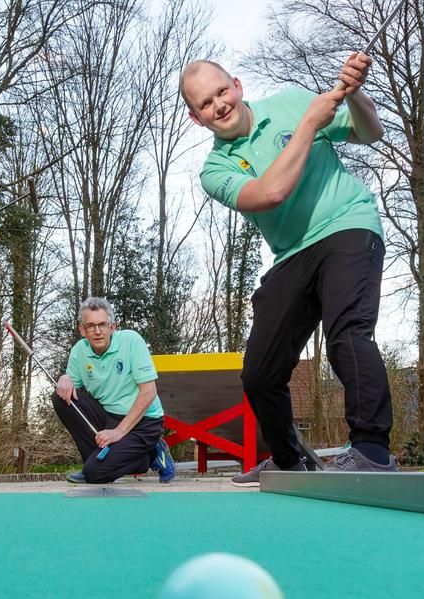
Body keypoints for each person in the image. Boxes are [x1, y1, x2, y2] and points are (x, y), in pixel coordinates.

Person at [180, 53, 398, 486]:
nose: (219, 105)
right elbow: (272, 192)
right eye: (206, 104)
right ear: (196, 118)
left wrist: (355, 94)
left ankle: (372, 450)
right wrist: (309, 126)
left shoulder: (293, 102)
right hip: (292, 253)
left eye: (222, 92)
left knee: (347, 334)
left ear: (238, 86)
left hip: (347, 226)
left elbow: (369, 131)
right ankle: (286, 460)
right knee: (259, 372)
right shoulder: (215, 170)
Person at [53, 297, 175, 484]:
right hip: (108, 415)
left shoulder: (131, 341)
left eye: (102, 324)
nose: (97, 331)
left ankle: (151, 454)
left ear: (112, 327)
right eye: (91, 326)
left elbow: (149, 392)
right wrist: (64, 378)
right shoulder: (79, 351)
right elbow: (72, 387)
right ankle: (94, 462)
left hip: (143, 421)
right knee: (61, 397)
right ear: (82, 330)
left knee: (95, 474)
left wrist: (119, 431)